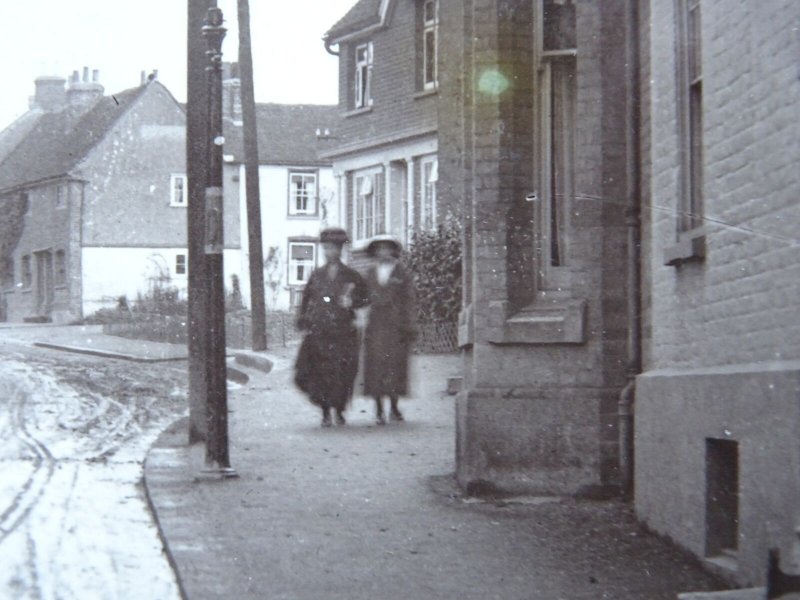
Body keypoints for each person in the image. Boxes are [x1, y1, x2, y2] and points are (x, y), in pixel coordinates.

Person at [294, 228, 369, 427]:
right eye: (326, 248)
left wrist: (351, 302)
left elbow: (365, 298)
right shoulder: (317, 275)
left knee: (342, 373)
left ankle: (339, 411)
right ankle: (325, 412)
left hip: (344, 332)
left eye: (334, 248)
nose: (330, 252)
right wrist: (304, 319)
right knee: (321, 373)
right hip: (321, 331)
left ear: (341, 249)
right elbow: (306, 298)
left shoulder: (352, 276)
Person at [363, 235, 417, 425]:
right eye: (379, 249)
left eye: (387, 248)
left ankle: (394, 407)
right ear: (375, 252)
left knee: (395, 367)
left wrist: (410, 325)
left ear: (392, 251)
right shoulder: (370, 273)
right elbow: (362, 298)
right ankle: (378, 410)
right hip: (376, 326)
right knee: (376, 367)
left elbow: (409, 300)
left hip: (396, 327)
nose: (383, 252)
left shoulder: (402, 273)